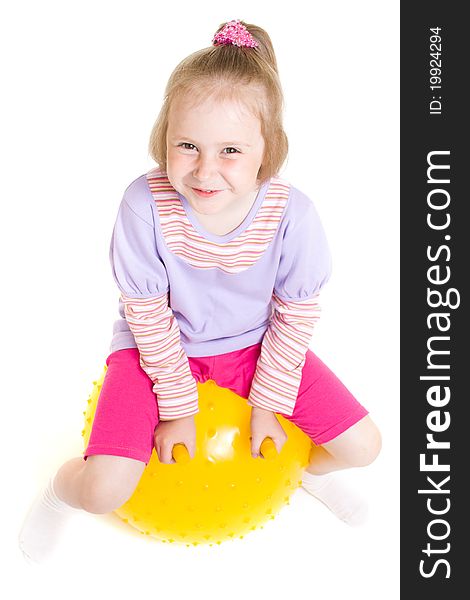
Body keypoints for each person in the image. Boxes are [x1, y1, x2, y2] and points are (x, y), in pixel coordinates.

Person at [19, 19, 381, 564]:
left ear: (269, 148)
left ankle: (303, 472)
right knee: (102, 491)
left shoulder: (292, 213)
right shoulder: (145, 204)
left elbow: (294, 312)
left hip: (256, 347)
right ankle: (58, 495)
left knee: (363, 447)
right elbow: (147, 312)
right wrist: (177, 404)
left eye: (230, 150)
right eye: (186, 145)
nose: (205, 170)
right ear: (162, 136)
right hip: (156, 353)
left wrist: (268, 404)